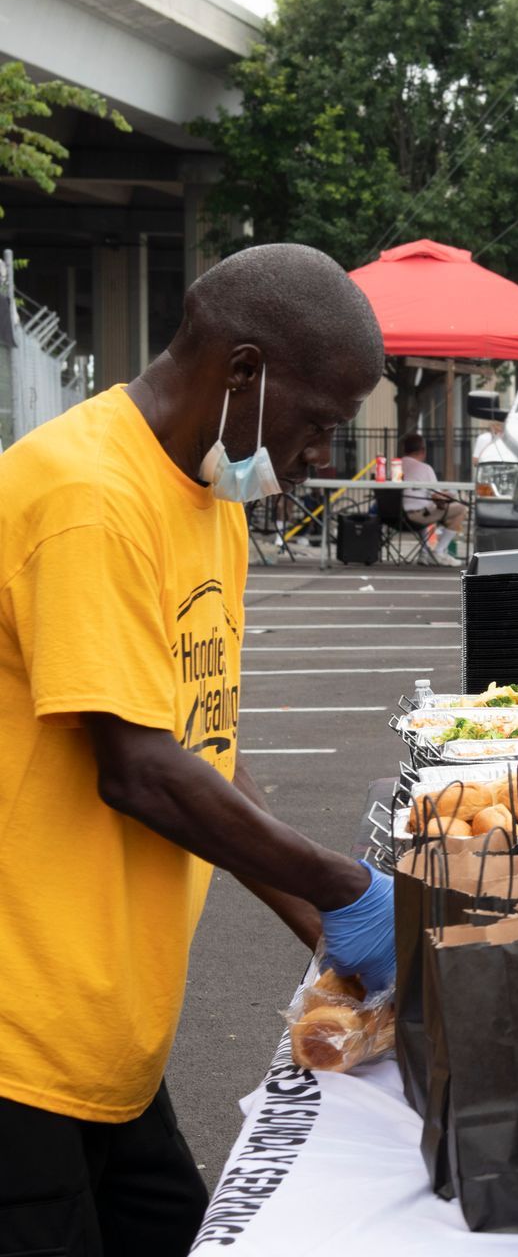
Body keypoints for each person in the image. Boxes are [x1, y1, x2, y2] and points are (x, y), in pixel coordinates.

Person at [0, 243, 397, 1252]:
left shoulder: (205, 489)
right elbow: (140, 766)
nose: (318, 455)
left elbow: (202, 740)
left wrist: (318, 923)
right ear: (243, 369)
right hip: (18, 1036)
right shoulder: (89, 494)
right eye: (317, 422)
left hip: (106, 1036)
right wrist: (349, 888)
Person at [398, 431, 468, 562]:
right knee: (461, 508)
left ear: (404, 449)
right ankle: (439, 551)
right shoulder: (425, 468)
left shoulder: (395, 466)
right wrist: (451, 496)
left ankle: (424, 552)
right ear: (423, 450)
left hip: (394, 516)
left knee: (427, 506)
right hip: (417, 516)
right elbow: (437, 496)